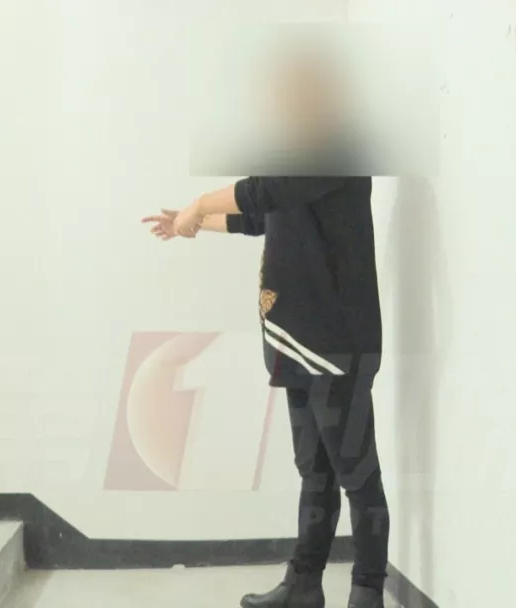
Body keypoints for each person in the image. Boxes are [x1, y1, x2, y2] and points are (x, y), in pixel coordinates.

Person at [141, 42, 389, 608]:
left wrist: (200, 203)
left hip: (335, 341)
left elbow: (266, 189)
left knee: (356, 472)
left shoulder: (337, 142)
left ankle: (367, 592)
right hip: (296, 339)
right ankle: (304, 584)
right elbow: (261, 214)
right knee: (314, 470)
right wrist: (192, 224)